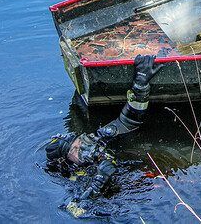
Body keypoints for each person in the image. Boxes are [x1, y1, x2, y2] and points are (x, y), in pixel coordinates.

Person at [44, 54, 162, 200]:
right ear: (66, 161)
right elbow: (77, 207)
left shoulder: (99, 141)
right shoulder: (70, 179)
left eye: (80, 140)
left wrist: (141, 85)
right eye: (76, 149)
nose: (83, 144)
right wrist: (97, 186)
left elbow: (129, 120)